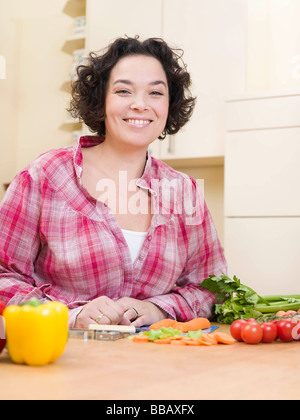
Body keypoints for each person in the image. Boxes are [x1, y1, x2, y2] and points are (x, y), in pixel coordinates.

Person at [0, 36, 227, 329]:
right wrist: (71, 316)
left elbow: (213, 289)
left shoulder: (185, 192)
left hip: (161, 366)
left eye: (155, 93)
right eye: (123, 90)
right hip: (61, 362)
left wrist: (158, 309)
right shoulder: (45, 176)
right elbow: (3, 276)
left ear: (169, 105)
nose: (140, 104)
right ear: (101, 100)